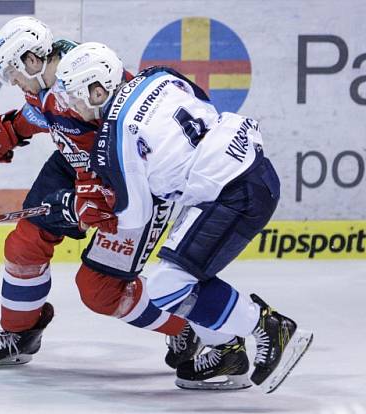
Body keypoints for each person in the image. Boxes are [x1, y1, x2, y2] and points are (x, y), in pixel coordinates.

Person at [52, 42, 313, 393]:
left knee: (166, 287)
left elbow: (136, 214)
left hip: (231, 193)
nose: (74, 107)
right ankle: (226, 351)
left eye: (76, 97)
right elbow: (202, 101)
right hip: (251, 170)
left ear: (98, 88)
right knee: (183, 275)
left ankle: (266, 325)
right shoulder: (158, 75)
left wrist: (84, 212)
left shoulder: (114, 134)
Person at [0, 16, 200, 371]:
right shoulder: (45, 76)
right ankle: (20, 332)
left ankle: (190, 326)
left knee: (100, 291)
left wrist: (102, 191)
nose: (11, 80)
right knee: (24, 244)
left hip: (129, 178)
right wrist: (13, 129)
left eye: (12, 70)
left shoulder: (85, 75)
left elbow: (128, 131)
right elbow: (47, 111)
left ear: (31, 59)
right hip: (76, 164)